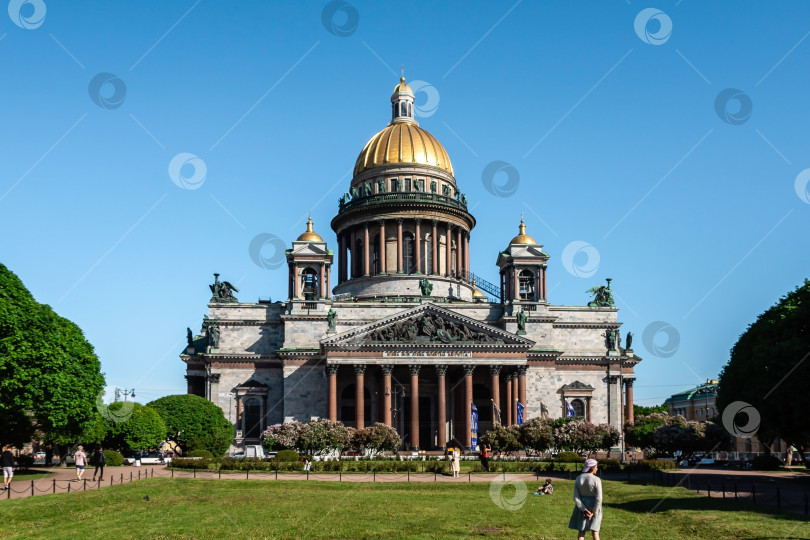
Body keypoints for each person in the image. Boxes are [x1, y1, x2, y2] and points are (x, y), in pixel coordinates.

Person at [569, 459, 602, 540]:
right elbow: (599, 498)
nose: (597, 469)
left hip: (582, 507)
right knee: (595, 531)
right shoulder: (597, 479)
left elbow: (576, 497)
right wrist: (594, 511)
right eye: (596, 467)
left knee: (581, 531)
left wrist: (584, 509)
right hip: (595, 506)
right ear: (593, 468)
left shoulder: (578, 478)